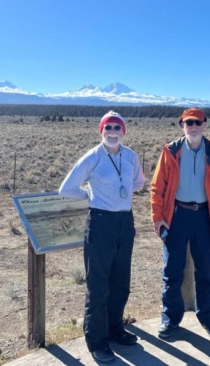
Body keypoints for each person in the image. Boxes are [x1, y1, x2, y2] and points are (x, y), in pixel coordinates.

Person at [59, 111, 145, 363]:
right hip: (100, 223)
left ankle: (115, 328)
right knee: (98, 285)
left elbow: (138, 182)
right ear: (101, 130)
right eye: (108, 127)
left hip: (124, 222)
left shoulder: (130, 156)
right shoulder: (93, 157)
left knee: (120, 282)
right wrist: (91, 197)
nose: (112, 131)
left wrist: (120, 196)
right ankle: (97, 341)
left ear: (124, 131)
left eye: (117, 127)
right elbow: (66, 189)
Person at [150, 108, 210, 340]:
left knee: (205, 271)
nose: (193, 127)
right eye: (189, 123)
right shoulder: (171, 152)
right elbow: (157, 188)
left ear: (205, 125)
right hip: (176, 215)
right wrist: (158, 217)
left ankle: (208, 318)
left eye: (198, 122)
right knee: (171, 270)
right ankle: (170, 319)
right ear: (181, 126)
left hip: (204, 217)